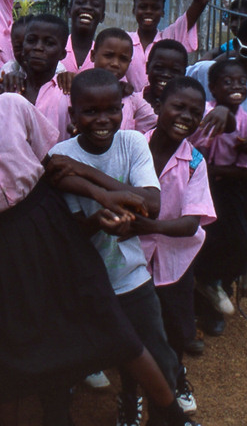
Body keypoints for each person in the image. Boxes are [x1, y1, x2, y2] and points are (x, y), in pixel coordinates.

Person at [0, 30, 199, 426]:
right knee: (6, 345)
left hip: (48, 222)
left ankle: (172, 419)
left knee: (106, 322)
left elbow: (53, 169)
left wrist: (102, 195)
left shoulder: (12, 107)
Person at [48, 69, 192, 426]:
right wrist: (98, 220)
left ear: (123, 109)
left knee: (157, 356)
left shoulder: (131, 143)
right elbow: (62, 236)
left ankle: (165, 415)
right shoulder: (57, 156)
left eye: (112, 109)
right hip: (79, 282)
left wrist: (89, 173)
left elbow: (151, 205)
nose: (102, 120)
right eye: (90, 111)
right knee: (65, 363)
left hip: (129, 275)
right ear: (72, 115)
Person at [133, 76, 216, 412]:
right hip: (131, 257)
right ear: (158, 107)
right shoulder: (131, 145)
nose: (186, 116)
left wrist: (147, 225)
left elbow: (190, 223)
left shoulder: (195, 162)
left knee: (177, 328)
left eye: (195, 112)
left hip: (175, 260)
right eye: (178, 106)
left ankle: (175, 376)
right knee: (133, 329)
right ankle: (131, 393)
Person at [187, 17, 247, 240]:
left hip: (237, 178)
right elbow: (181, 83)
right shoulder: (204, 72)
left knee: (229, 233)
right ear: (236, 46)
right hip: (196, 170)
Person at [188, 59, 247, 337]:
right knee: (203, 241)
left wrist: (211, 169)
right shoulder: (201, 112)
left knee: (241, 245)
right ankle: (205, 306)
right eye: (228, 82)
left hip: (229, 190)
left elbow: (245, 170)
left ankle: (213, 282)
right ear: (213, 88)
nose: (236, 86)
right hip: (196, 187)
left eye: (241, 81)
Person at [126, 0, 209, 92]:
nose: (148, 12)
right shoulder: (125, 41)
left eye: (155, 8)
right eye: (143, 7)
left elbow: (201, 0)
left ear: (163, 12)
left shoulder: (171, 37)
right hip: (133, 112)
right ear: (134, 10)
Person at [16, 14, 71, 141]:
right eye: (31, 40)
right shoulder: (10, 88)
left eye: (49, 43)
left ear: (62, 54)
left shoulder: (68, 93)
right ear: (23, 47)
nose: (38, 48)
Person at [92, 27, 157, 133]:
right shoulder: (77, 89)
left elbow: (154, 122)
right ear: (93, 55)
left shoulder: (132, 99)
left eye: (123, 59)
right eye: (109, 56)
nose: (115, 64)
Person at [60, 0, 106, 75]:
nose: (87, 7)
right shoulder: (56, 49)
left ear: (102, 17)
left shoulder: (105, 55)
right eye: (80, 2)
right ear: (69, 11)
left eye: (95, 5)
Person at [142, 40, 189, 109]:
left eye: (175, 70)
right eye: (159, 67)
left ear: (184, 73)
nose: (166, 74)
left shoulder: (190, 109)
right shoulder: (131, 102)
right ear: (147, 67)